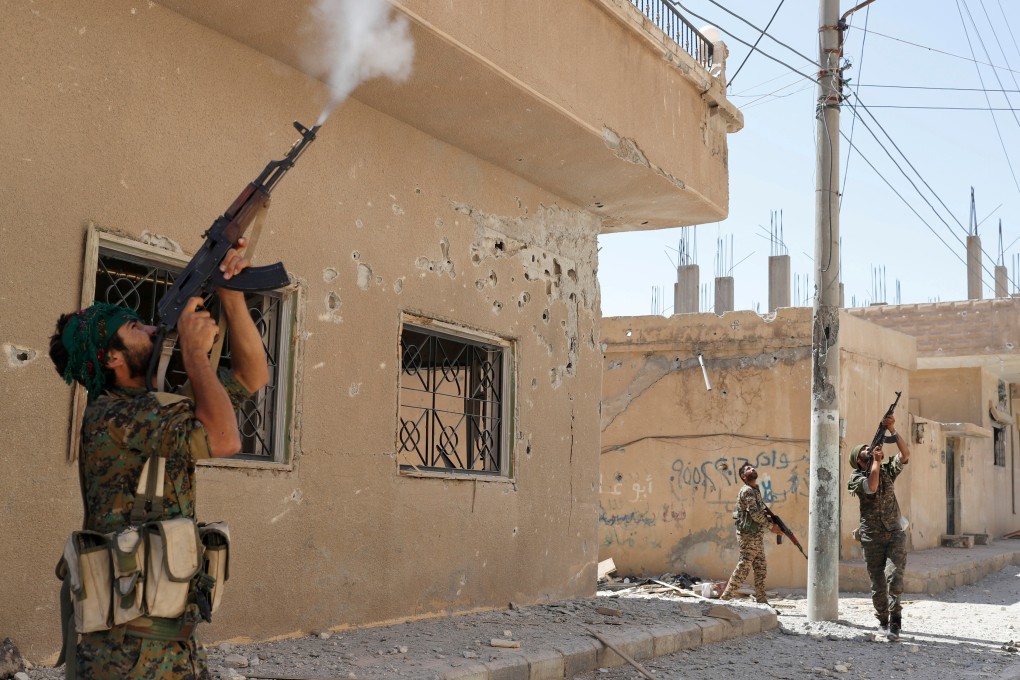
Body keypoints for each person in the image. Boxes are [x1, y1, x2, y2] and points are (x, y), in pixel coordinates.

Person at [48, 238, 267, 679]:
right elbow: (224, 439)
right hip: (127, 654)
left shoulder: (152, 408)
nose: (151, 329)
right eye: (135, 330)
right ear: (111, 357)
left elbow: (250, 376)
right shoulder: (114, 414)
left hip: (166, 641)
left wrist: (231, 295)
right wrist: (194, 355)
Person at [847, 414, 911, 641]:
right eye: (865, 450)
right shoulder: (855, 477)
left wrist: (893, 431)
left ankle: (895, 622)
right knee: (878, 583)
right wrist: (875, 461)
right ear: (858, 460)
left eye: (870, 447)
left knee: (895, 578)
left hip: (894, 532)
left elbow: (905, 455)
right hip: (872, 537)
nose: (869, 449)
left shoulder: (886, 469)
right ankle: (882, 620)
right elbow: (872, 487)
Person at [719, 462, 782, 604]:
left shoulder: (755, 490)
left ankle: (761, 600)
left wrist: (771, 520)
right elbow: (754, 514)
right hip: (747, 535)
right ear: (743, 476)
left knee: (760, 567)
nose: (752, 469)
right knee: (744, 566)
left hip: (756, 535)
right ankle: (725, 598)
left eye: (752, 467)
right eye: (748, 469)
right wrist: (771, 527)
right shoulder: (747, 490)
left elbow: (759, 512)